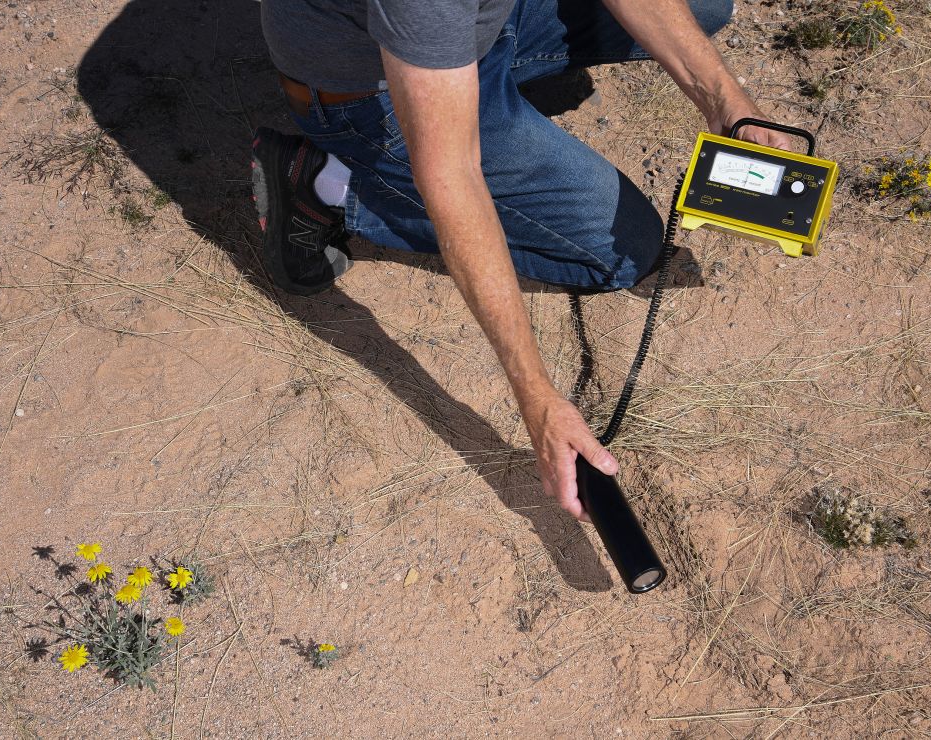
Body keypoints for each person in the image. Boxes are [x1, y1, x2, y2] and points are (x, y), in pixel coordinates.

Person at [251, 0, 789, 521]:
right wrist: (539, 401)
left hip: (475, 35)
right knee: (627, 247)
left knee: (704, 7)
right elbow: (454, 178)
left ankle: (490, 99)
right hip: (372, 96)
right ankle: (327, 184)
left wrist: (730, 108)